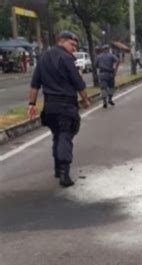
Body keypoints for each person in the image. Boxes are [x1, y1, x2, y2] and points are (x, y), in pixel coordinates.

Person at [27, 31, 91, 187]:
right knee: (65, 136)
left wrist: (32, 104)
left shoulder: (42, 58)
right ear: (61, 41)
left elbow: (35, 84)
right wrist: (85, 100)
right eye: (72, 44)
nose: (74, 49)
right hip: (66, 106)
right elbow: (78, 83)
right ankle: (64, 174)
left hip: (49, 107)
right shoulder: (67, 58)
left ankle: (57, 168)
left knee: (57, 135)